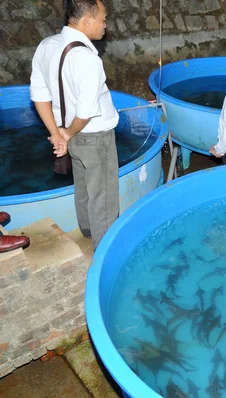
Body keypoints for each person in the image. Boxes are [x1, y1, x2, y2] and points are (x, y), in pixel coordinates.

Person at [30, 0, 119, 250]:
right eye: (103, 18)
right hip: (93, 135)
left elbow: (39, 95)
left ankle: (88, 231)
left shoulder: (46, 45)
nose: (105, 24)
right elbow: (87, 111)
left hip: (70, 134)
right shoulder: (88, 59)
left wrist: (57, 134)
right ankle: (105, 251)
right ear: (86, 21)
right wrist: (67, 133)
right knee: (103, 196)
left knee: (82, 186)